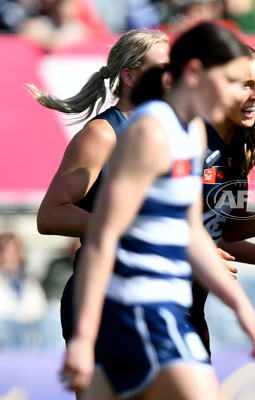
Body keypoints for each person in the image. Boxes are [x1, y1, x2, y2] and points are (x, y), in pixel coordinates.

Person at [60, 22, 255, 398]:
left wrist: (243, 309)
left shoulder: (189, 134)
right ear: (195, 74)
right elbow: (101, 240)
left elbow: (193, 235)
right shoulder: (148, 133)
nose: (241, 94)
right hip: (135, 307)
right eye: (230, 80)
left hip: (166, 306)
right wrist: (83, 336)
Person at [30, 28, 170, 346]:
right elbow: (49, 216)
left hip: (157, 296)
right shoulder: (103, 135)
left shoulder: (173, 135)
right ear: (131, 77)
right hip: (102, 297)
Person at [191, 44, 255, 354]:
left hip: (191, 303)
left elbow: (223, 234)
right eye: (246, 85)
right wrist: (195, 252)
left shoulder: (245, 146)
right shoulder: (185, 138)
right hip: (147, 298)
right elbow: (142, 223)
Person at [0, 231, 47, 348]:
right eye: (5, 250)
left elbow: (39, 307)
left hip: (29, 336)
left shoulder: (29, 278)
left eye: (13, 250)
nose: (9, 255)